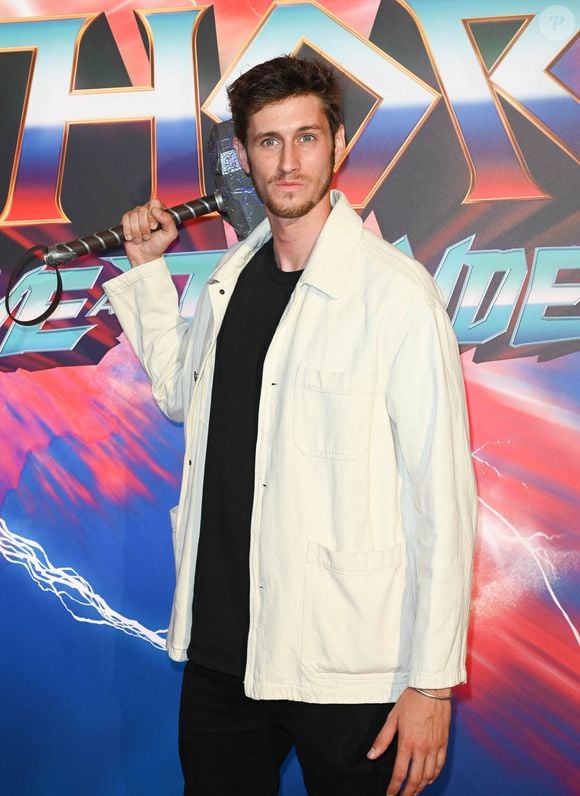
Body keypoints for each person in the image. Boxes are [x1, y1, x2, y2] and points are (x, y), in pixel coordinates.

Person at [103, 56, 477, 796]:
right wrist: (148, 273)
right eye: (268, 142)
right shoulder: (231, 277)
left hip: (346, 664)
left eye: (306, 138)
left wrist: (432, 685)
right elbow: (185, 393)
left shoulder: (395, 297)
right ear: (244, 155)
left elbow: (442, 498)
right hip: (221, 656)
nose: (288, 160)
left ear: (338, 145)